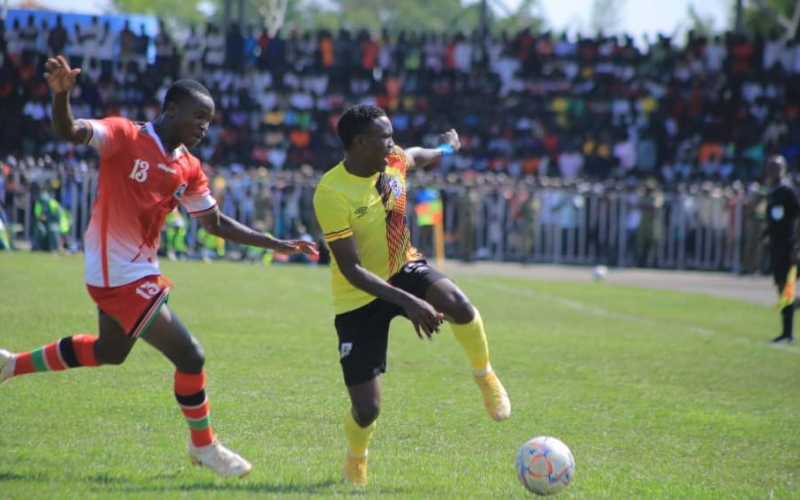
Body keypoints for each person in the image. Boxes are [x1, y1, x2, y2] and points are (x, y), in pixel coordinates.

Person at [0, 56, 317, 478]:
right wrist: (62, 98)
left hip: (137, 272)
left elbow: (214, 221)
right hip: (117, 274)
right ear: (171, 110)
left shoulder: (188, 166)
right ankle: (204, 446)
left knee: (109, 352)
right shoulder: (124, 135)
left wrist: (274, 242)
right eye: (198, 116)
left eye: (210, 120)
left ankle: (9, 364)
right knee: (191, 355)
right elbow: (70, 131)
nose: (205, 126)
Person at [312, 105, 510, 486]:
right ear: (360, 142)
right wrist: (407, 302)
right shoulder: (331, 192)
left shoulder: (393, 159)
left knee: (460, 306)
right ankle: (357, 458)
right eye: (385, 137)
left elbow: (420, 155)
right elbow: (352, 271)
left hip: (404, 265)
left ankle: (484, 375)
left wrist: (447, 150)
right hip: (360, 295)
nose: (392, 142)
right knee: (367, 409)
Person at [763, 155, 800, 344]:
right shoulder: (773, 191)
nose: (772, 172)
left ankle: (788, 332)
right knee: (780, 285)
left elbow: (795, 218)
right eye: (770, 168)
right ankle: (785, 331)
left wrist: (796, 245)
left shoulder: (787, 191)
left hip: (787, 244)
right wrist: (766, 234)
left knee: (787, 287)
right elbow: (774, 219)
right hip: (777, 244)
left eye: (775, 168)